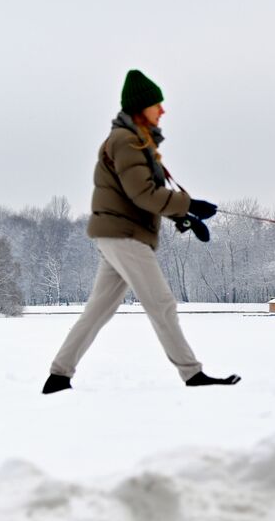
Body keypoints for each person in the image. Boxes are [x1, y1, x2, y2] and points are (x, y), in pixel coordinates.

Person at [41, 70, 241, 393]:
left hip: (117, 233)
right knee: (162, 303)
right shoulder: (126, 141)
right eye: (156, 105)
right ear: (140, 108)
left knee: (98, 310)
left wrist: (184, 217)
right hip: (124, 236)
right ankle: (193, 374)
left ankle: (58, 375)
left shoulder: (135, 142)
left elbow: (141, 196)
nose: (162, 111)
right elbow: (143, 194)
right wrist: (187, 205)